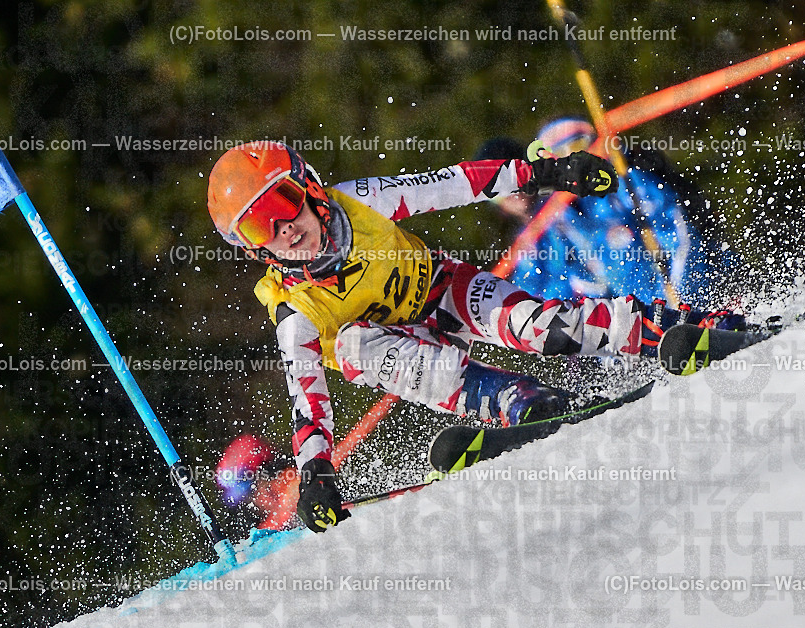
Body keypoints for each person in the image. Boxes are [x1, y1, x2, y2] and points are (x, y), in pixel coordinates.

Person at [205, 140, 741, 532]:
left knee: (541, 326)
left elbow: (458, 182)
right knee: (353, 346)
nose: (283, 229)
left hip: (442, 291)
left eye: (283, 205)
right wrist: (316, 473)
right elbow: (307, 398)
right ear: (252, 248)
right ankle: (522, 403)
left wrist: (551, 171)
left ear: (309, 187)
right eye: (259, 227)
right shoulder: (294, 310)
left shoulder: (361, 201)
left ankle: (680, 329)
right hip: (394, 351)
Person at [482, 118, 731, 304]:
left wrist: (681, 300)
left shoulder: (627, 184)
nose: (571, 161)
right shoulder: (558, 223)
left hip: (698, 296)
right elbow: (571, 284)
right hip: (648, 322)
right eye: (558, 157)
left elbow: (680, 237)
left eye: (578, 147)